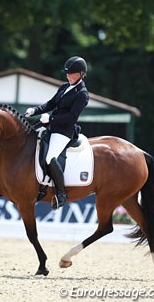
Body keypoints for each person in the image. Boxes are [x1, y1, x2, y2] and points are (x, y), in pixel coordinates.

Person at [25, 56, 89, 209]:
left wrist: (51, 119)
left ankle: (61, 193)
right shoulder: (64, 87)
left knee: (50, 157)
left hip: (64, 131)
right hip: (51, 126)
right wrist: (35, 110)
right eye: (67, 73)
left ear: (80, 74)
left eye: (71, 73)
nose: (67, 75)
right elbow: (51, 103)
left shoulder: (82, 94)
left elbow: (72, 117)